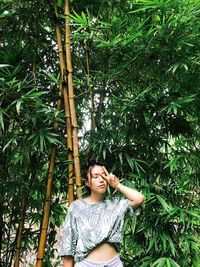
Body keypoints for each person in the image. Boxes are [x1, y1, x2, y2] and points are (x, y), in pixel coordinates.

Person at [59, 161, 145, 267]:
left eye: (104, 176)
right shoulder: (77, 207)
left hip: (113, 263)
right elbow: (68, 248)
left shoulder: (116, 204)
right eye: (96, 176)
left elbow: (139, 198)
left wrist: (117, 185)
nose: (101, 180)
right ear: (87, 182)